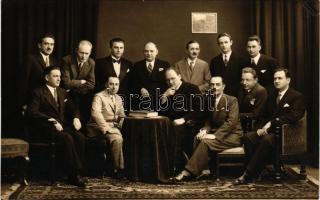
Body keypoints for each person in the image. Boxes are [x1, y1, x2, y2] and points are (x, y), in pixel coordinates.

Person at [234, 67, 306, 184]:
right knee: (248, 137)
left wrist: (272, 123)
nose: (276, 81)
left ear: (288, 80)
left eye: (280, 78)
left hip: (287, 134)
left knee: (267, 140)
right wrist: (260, 128)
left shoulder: (296, 96)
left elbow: (294, 117)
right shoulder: (272, 96)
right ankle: (258, 172)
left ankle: (248, 174)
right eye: (275, 78)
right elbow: (264, 115)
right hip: (271, 132)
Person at [174, 76, 243, 181]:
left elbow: (231, 123)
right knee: (198, 137)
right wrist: (204, 130)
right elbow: (208, 121)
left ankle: (187, 172)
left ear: (223, 86)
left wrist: (214, 135)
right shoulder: (209, 100)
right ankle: (199, 171)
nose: (215, 87)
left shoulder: (232, 100)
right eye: (212, 85)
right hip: (220, 135)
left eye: (218, 85)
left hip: (232, 136)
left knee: (206, 142)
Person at [27, 66, 87, 187]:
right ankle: (73, 174)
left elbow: (73, 108)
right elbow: (32, 112)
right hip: (45, 128)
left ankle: (78, 171)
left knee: (80, 137)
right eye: (55, 76)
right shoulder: (38, 92)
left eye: (59, 76)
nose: (59, 79)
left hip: (62, 127)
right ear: (47, 77)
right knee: (67, 138)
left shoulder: (62, 92)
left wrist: (76, 117)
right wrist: (52, 120)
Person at [160, 68, 203, 172]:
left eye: (173, 78)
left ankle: (173, 168)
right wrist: (165, 97)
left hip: (190, 123)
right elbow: (161, 112)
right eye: (167, 80)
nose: (170, 82)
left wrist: (184, 119)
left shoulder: (192, 88)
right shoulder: (167, 91)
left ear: (179, 76)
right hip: (172, 123)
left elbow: (200, 110)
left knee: (175, 132)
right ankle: (161, 167)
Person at [86, 76, 125, 179]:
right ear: (106, 85)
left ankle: (120, 168)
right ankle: (117, 169)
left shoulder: (118, 98)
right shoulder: (99, 96)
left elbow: (122, 114)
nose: (114, 87)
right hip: (97, 127)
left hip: (113, 127)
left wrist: (121, 120)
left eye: (116, 84)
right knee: (117, 138)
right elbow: (96, 114)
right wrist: (107, 128)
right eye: (111, 84)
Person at [20, 34, 59, 111]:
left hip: (48, 103)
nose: (49, 47)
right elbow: (23, 82)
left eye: (52, 44)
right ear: (39, 45)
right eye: (46, 44)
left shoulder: (54, 61)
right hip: (33, 101)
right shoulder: (31, 59)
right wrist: (24, 103)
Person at [61, 40, 95, 124]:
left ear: (90, 52)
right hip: (67, 96)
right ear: (76, 50)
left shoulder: (91, 63)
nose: (84, 56)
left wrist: (74, 87)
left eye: (86, 53)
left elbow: (91, 84)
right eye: (81, 53)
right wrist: (81, 82)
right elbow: (66, 83)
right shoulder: (66, 60)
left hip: (82, 96)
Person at [131, 42, 170, 111]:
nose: (149, 53)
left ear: (157, 52)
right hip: (142, 102)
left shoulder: (165, 65)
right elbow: (133, 82)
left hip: (160, 101)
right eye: (146, 51)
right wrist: (140, 88)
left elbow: (169, 82)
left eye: (151, 51)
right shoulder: (137, 65)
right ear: (143, 52)